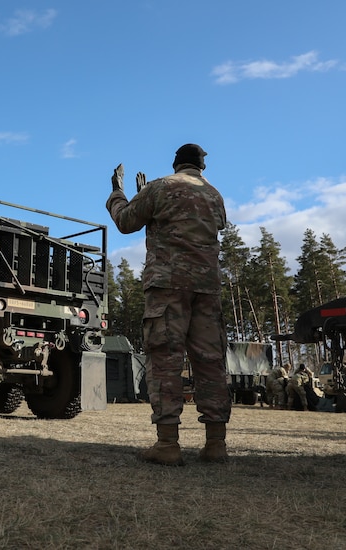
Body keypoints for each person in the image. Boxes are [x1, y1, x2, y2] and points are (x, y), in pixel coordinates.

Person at [106, 143, 231, 465]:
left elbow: (125, 222)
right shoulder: (214, 195)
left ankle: (167, 445)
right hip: (207, 288)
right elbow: (210, 226)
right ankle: (216, 444)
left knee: (165, 360)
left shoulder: (161, 187)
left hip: (168, 286)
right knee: (210, 362)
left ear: (176, 163)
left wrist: (119, 194)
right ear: (202, 167)